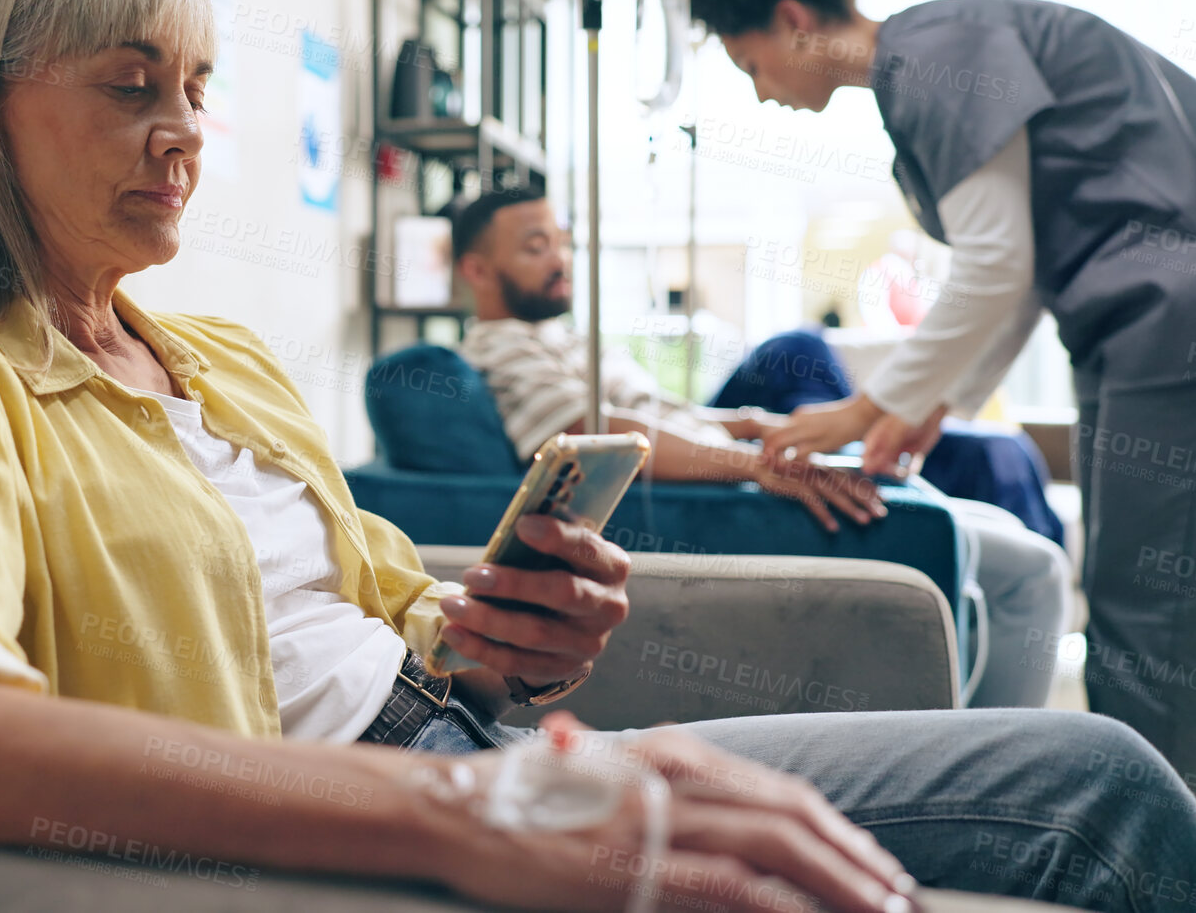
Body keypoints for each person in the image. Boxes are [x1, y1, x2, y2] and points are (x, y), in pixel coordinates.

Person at [0, 0, 1196, 912]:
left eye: (194, 89)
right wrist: (467, 816)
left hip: (473, 749)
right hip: (364, 819)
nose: (180, 132)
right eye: (127, 87)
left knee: (1093, 766)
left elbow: (384, 617)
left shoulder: (216, 358)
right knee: (1089, 800)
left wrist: (500, 644)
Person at [687, 0, 1196, 794]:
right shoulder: (932, 63)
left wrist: (867, 408)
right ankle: (1127, 854)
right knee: (1130, 616)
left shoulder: (934, 56)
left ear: (791, 21)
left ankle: (1142, 874)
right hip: (1163, 312)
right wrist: (925, 411)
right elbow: (1017, 271)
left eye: (748, 62)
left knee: (1151, 630)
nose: (759, 89)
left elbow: (994, 263)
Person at [451, 187, 1069, 708]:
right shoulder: (501, 347)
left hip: (729, 460)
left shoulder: (562, 339)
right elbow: (593, 434)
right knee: (1032, 569)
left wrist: (753, 427)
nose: (560, 260)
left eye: (561, 242)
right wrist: (753, 465)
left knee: (1006, 520)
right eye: (536, 249)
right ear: (475, 271)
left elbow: (654, 413)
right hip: (722, 492)